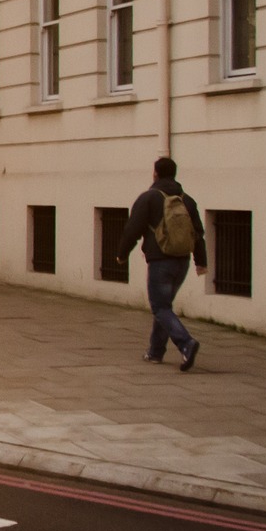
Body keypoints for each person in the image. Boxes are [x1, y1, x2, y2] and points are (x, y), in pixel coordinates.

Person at [116, 156, 208, 372]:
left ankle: (186, 343)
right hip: (182, 262)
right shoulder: (187, 200)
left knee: (160, 307)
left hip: (160, 261)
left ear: (155, 173)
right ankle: (156, 351)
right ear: (174, 174)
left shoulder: (149, 198)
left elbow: (133, 229)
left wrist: (122, 253)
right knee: (164, 307)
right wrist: (200, 262)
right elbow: (198, 233)